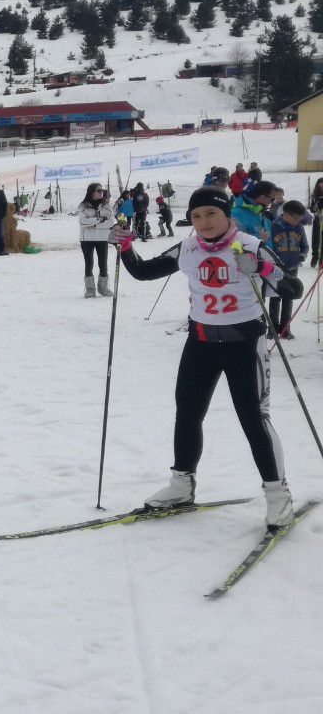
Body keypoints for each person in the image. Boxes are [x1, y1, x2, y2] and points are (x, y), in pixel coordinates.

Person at [109, 187, 304, 530]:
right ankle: (181, 484)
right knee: (187, 414)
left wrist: (261, 267)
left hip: (244, 344)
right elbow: (143, 271)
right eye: (196, 216)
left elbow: (293, 287)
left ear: (226, 214)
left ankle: (278, 496)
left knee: (254, 419)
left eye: (211, 213)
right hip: (200, 343)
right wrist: (125, 247)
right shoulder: (188, 247)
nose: (203, 221)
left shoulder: (249, 244)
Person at [267, 200, 309, 339]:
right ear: (286, 214)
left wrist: (302, 256)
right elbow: (268, 247)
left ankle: (285, 329)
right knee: (275, 298)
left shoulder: (299, 228)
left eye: (300, 218)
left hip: (293, 268)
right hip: (277, 268)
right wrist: (274, 261)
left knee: (289, 297)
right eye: (296, 217)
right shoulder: (273, 227)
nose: (298, 220)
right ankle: (272, 329)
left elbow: (305, 246)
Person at [77, 183, 117, 297]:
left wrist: (94, 224)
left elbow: (110, 223)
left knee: (103, 263)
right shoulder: (83, 206)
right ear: (91, 192)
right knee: (89, 263)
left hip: (102, 239)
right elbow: (82, 222)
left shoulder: (107, 206)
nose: (101, 192)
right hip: (86, 239)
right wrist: (99, 220)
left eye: (102, 190)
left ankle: (103, 288)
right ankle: (90, 289)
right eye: (98, 190)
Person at [310, 178, 323, 267]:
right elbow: (312, 209)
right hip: (317, 219)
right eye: (320, 186)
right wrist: (314, 207)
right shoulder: (315, 196)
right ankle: (315, 255)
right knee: (316, 238)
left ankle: (321, 257)